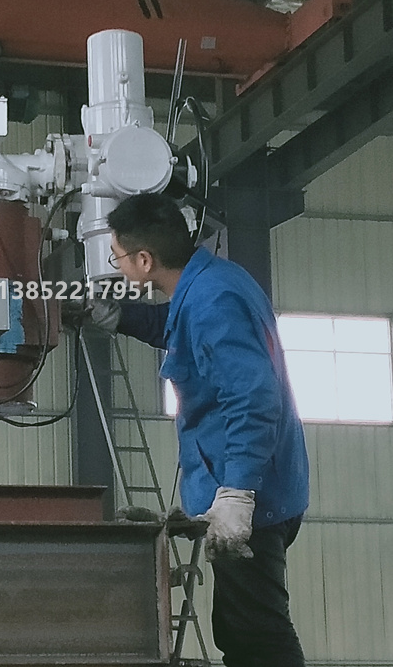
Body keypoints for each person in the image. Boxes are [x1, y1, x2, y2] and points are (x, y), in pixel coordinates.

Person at [97, 192, 309, 667]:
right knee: (238, 630)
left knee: (261, 635)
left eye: (116, 256)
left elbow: (254, 398)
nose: (116, 266)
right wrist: (120, 315)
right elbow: (179, 327)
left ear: (144, 260)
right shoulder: (208, 282)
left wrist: (236, 495)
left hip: (252, 493)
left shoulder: (213, 302)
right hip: (247, 482)